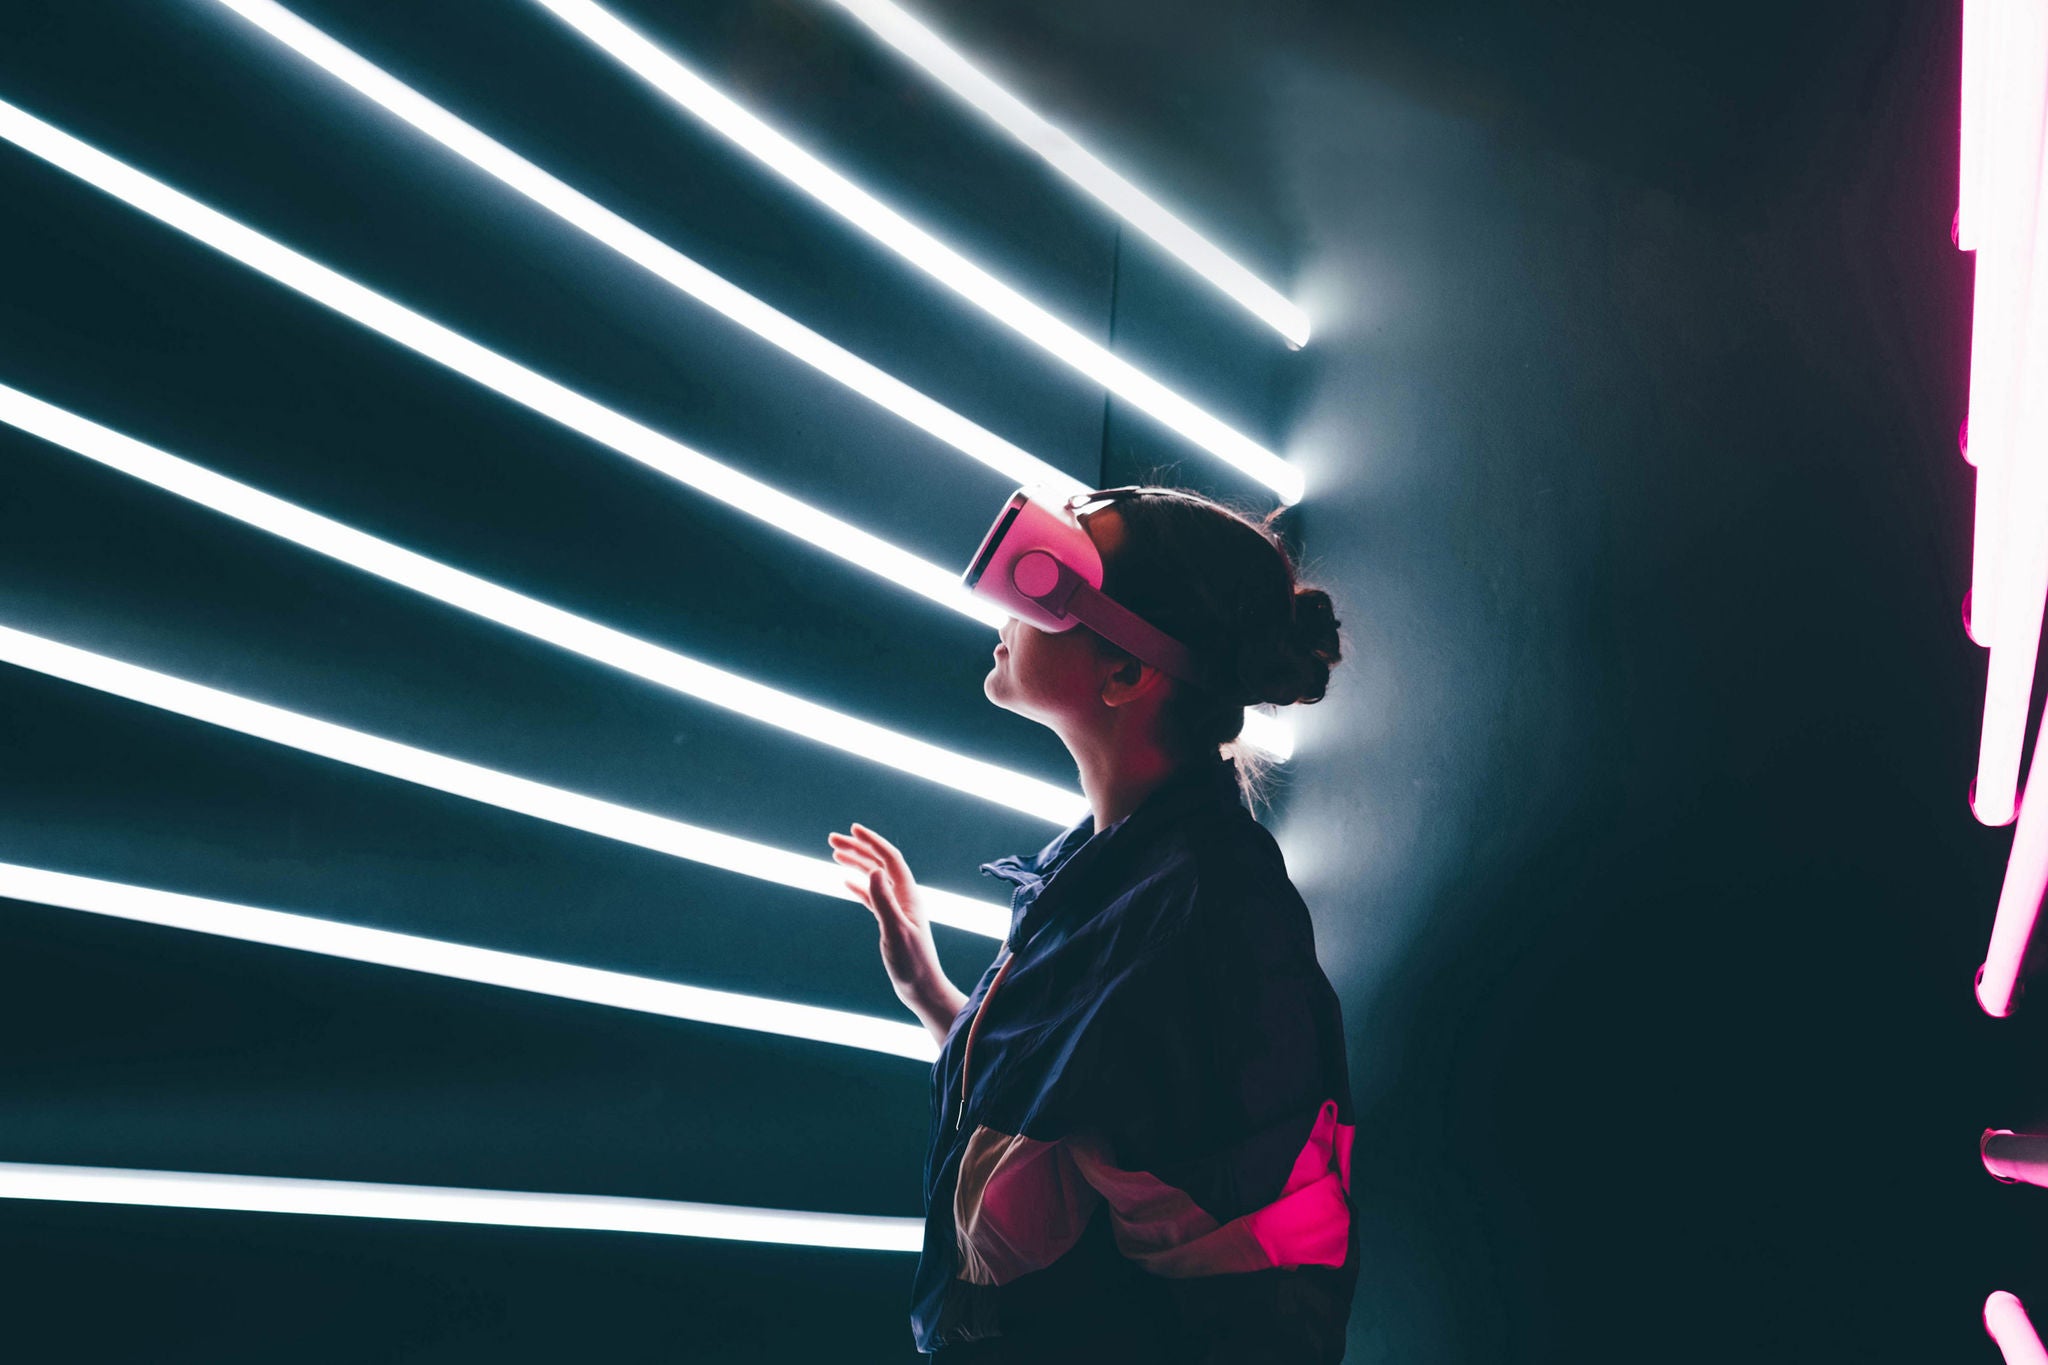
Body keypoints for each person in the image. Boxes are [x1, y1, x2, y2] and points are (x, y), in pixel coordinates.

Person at [829, 485, 1355, 1361]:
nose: (1000, 603)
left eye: (1043, 580)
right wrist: (933, 992)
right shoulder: (1101, 871)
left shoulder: (1220, 913)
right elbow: (1080, 1113)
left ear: (1125, 672)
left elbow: (1263, 1285)